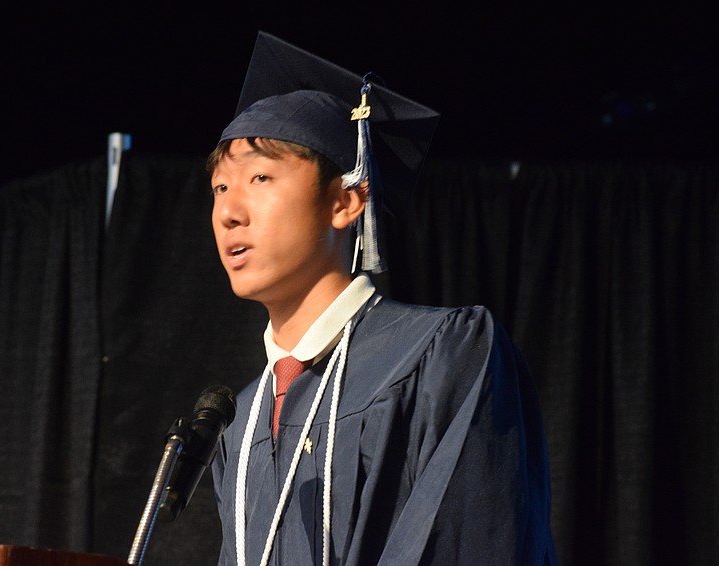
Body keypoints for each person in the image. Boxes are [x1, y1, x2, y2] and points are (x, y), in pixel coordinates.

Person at [207, 31, 558, 565]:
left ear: (346, 202)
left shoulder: (444, 356)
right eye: (220, 188)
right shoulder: (240, 423)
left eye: (259, 177)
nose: (230, 211)